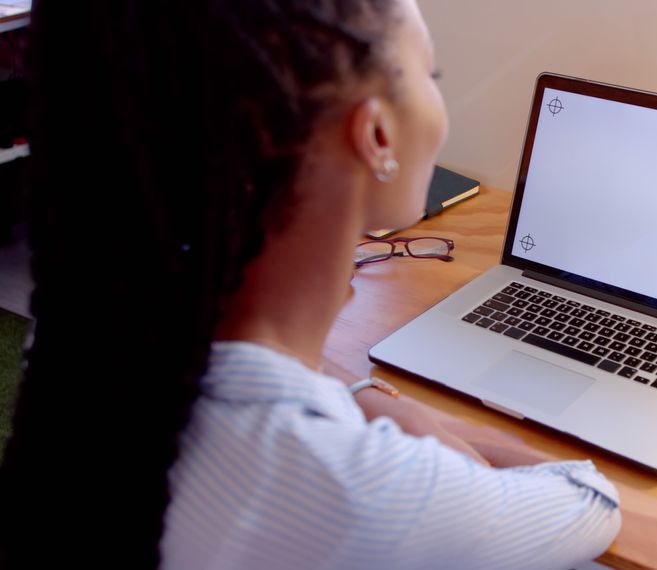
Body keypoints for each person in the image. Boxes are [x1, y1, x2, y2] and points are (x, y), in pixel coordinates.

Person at [0, 0, 621, 568]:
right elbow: (591, 502)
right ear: (376, 135)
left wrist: (363, 394)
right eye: (431, 78)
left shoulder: (90, 332)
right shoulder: (359, 487)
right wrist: (443, 435)